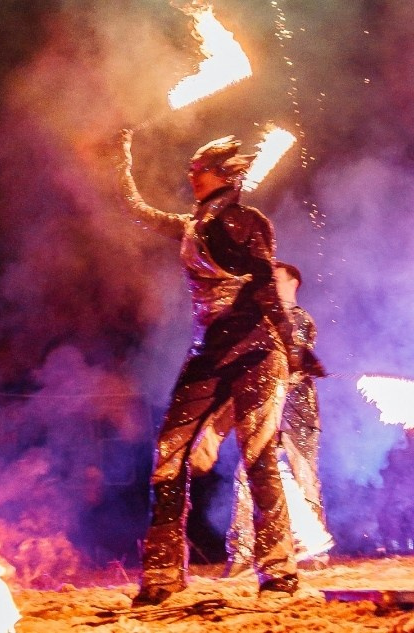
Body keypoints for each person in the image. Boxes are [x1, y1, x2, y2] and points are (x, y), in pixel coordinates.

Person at [117, 129, 301, 605]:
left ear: (222, 175)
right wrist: (121, 158)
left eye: (199, 170)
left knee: (259, 457)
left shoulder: (246, 221)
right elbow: (136, 212)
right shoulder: (191, 225)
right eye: (192, 170)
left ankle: (278, 574)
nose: (191, 176)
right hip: (209, 351)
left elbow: (263, 283)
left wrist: (294, 345)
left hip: (257, 348)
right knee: (169, 453)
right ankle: (162, 575)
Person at [225, 262, 333, 575]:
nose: (268, 282)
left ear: (291, 282)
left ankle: (313, 551)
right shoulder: (264, 321)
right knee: (247, 475)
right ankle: (243, 553)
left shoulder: (299, 319)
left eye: (275, 277)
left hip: (297, 410)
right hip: (267, 406)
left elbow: (294, 360)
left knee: (302, 477)